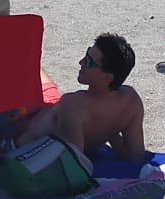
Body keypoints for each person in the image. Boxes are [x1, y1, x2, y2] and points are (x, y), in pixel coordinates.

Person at [15, 33, 145, 161]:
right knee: (30, 63)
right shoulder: (131, 101)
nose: (81, 62)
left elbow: (75, 163)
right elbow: (135, 155)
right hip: (51, 105)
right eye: (86, 54)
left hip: (23, 119)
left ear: (107, 77)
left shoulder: (73, 105)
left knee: (18, 64)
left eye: (88, 61)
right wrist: (111, 129)